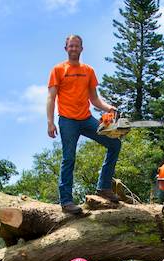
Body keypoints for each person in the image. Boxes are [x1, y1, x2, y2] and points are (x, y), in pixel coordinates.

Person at [47, 34, 122, 215]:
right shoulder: (58, 70)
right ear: (66, 48)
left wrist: (109, 107)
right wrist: (50, 122)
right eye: (71, 46)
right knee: (69, 158)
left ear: (82, 48)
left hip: (86, 119)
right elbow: (51, 97)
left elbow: (94, 99)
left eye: (76, 46)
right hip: (67, 121)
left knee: (114, 143)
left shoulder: (88, 70)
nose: (73, 49)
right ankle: (66, 201)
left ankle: (103, 187)